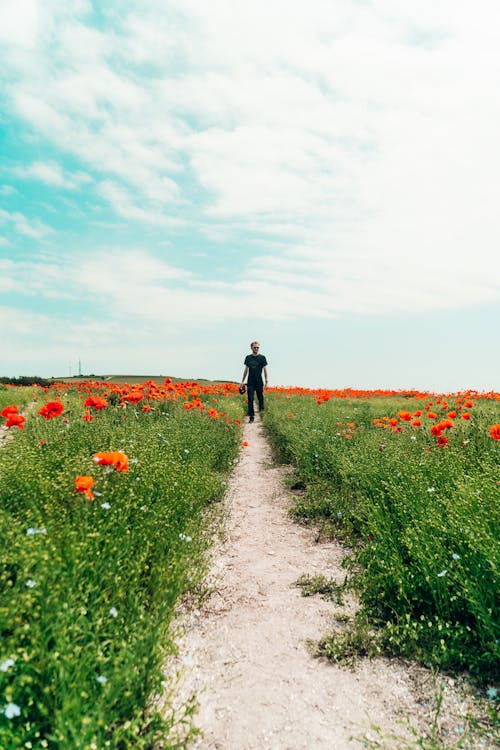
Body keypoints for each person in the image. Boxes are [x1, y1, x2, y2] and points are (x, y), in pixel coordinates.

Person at [240, 341, 268, 423]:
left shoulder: (262, 358)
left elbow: (265, 370)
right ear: (251, 348)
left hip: (259, 382)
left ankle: (262, 416)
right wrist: (242, 381)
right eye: (254, 347)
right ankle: (251, 417)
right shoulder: (248, 358)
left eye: (257, 347)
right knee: (250, 399)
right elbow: (246, 370)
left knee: (260, 399)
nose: (256, 349)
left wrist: (266, 380)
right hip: (250, 382)